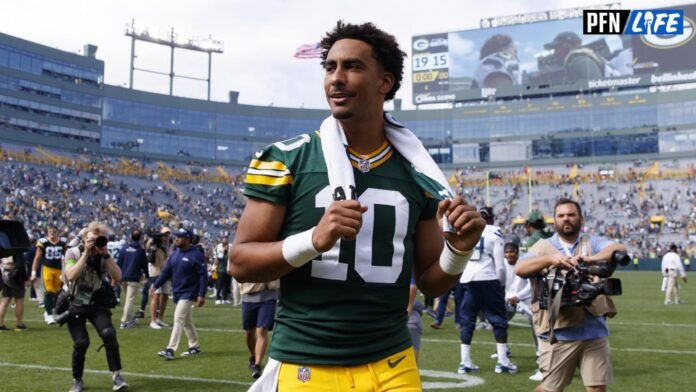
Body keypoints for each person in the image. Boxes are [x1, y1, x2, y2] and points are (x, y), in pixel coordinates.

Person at [231, 21, 485, 391]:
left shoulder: (419, 172)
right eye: (330, 67)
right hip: (308, 359)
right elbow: (240, 262)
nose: (336, 78)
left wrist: (459, 250)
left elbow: (431, 282)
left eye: (352, 66)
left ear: (385, 82)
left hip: (393, 360)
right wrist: (313, 240)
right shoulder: (288, 159)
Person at [516, 198, 627, 392]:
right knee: (550, 388)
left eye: (571, 215)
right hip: (558, 333)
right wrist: (551, 259)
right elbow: (520, 268)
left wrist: (590, 259)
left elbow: (620, 249)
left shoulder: (592, 242)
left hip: (594, 332)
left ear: (580, 219)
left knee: (597, 388)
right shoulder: (543, 246)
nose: (566, 219)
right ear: (555, 221)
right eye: (561, 215)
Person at [63, 222, 128, 392]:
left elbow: (119, 276)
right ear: (84, 239)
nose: (94, 243)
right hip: (75, 302)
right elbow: (70, 275)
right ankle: (77, 379)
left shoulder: (103, 254)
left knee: (109, 333)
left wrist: (105, 254)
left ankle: (117, 376)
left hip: (96, 300)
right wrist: (85, 254)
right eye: (91, 239)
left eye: (98, 240)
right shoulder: (73, 252)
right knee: (81, 342)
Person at [457, 206, 515, 374]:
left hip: (468, 278)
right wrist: (501, 284)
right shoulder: (494, 232)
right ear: (491, 218)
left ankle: (465, 362)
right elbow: (500, 265)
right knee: (498, 319)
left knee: (468, 320)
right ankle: (503, 361)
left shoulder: (467, 231)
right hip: (488, 278)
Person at [154, 227, 207, 360]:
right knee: (186, 322)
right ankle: (194, 346)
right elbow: (166, 272)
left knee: (178, 318)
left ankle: (170, 349)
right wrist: (155, 285)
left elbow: (203, 276)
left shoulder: (196, 255)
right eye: (176, 236)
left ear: (187, 239)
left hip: (189, 293)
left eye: (180, 237)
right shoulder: (175, 254)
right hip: (178, 292)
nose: (176, 239)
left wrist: (201, 294)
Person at [502, 242, 542, 381]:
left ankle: (540, 351)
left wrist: (517, 297)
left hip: (526, 299)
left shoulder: (525, 264)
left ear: (517, 252)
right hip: (509, 299)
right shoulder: (501, 264)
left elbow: (531, 285)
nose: (509, 255)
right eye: (506, 252)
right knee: (500, 321)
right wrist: (508, 297)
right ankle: (503, 349)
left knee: (536, 323)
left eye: (511, 252)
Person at [240, 279, 279, 378]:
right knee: (249, 332)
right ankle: (253, 355)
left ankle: (257, 365)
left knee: (262, 329)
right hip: (249, 293)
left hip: (270, 294)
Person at [30, 225, 67, 324]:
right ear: (47, 232)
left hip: (59, 269)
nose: (52, 233)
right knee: (49, 290)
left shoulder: (63, 242)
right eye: (50, 231)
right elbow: (37, 258)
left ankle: (52, 311)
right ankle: (49, 314)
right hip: (47, 268)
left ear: (58, 232)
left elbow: (67, 256)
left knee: (57, 292)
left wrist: (68, 269)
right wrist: (33, 271)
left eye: (54, 231)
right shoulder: (43, 242)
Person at [116, 229, 148, 329]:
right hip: (134, 278)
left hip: (124, 277)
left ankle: (129, 319)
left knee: (127, 299)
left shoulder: (124, 248)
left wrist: (117, 276)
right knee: (130, 300)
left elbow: (119, 263)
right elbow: (144, 264)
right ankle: (124, 321)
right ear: (140, 238)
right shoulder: (140, 250)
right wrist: (147, 275)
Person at [147, 227, 171, 329]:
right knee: (155, 296)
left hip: (166, 274)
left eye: (167, 235)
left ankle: (160, 318)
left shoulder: (168, 246)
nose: (166, 237)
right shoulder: (154, 245)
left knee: (165, 296)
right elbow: (147, 247)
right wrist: (153, 239)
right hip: (156, 273)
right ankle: (152, 320)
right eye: (164, 235)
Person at [0, 253, 27, 331]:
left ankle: (0, 324)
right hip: (15, 274)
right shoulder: (16, 245)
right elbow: (20, 264)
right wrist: (25, 277)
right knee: (19, 300)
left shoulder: (4, 244)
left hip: (4, 273)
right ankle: (19, 324)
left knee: (5, 300)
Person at [214, 236, 232, 304]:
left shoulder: (230, 249)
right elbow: (219, 258)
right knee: (220, 284)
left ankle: (224, 298)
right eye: (224, 242)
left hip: (228, 269)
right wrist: (223, 251)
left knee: (227, 285)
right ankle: (217, 298)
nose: (225, 244)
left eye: (226, 242)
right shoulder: (219, 248)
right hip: (221, 269)